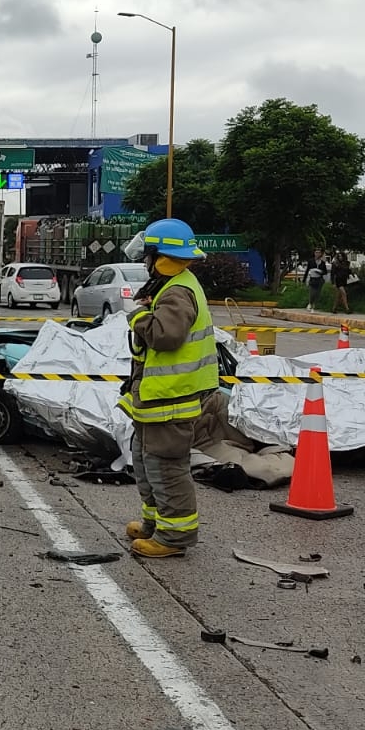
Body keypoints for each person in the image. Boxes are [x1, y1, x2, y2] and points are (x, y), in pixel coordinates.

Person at [117, 218, 219, 559]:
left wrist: (136, 317)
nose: (144, 261)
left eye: (148, 254)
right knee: (147, 463)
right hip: (158, 398)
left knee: (166, 467)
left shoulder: (177, 290)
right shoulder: (169, 284)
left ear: (159, 256)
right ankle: (155, 525)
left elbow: (166, 336)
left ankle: (174, 538)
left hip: (171, 400)